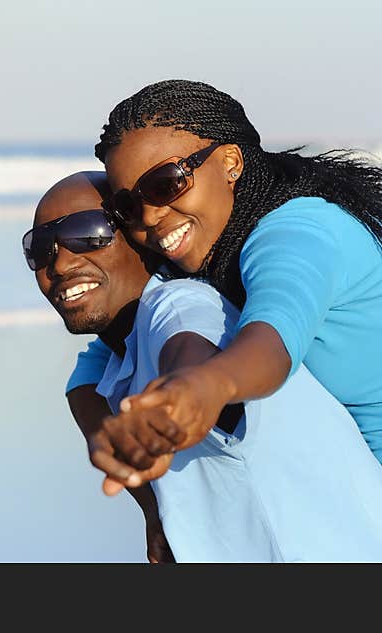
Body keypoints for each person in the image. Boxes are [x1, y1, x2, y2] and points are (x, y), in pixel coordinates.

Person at [27, 170, 382, 561]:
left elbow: (189, 349)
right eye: (40, 248)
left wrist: (186, 394)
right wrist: (152, 510)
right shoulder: (116, 350)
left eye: (88, 233)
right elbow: (83, 386)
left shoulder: (181, 303)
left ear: (139, 239)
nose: (59, 263)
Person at [68, 79, 382, 492]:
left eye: (165, 184)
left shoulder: (298, 235)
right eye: (128, 205)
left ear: (231, 162)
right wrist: (143, 497)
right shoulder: (209, 249)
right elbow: (91, 372)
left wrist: (206, 388)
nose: (149, 216)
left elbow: (270, 342)